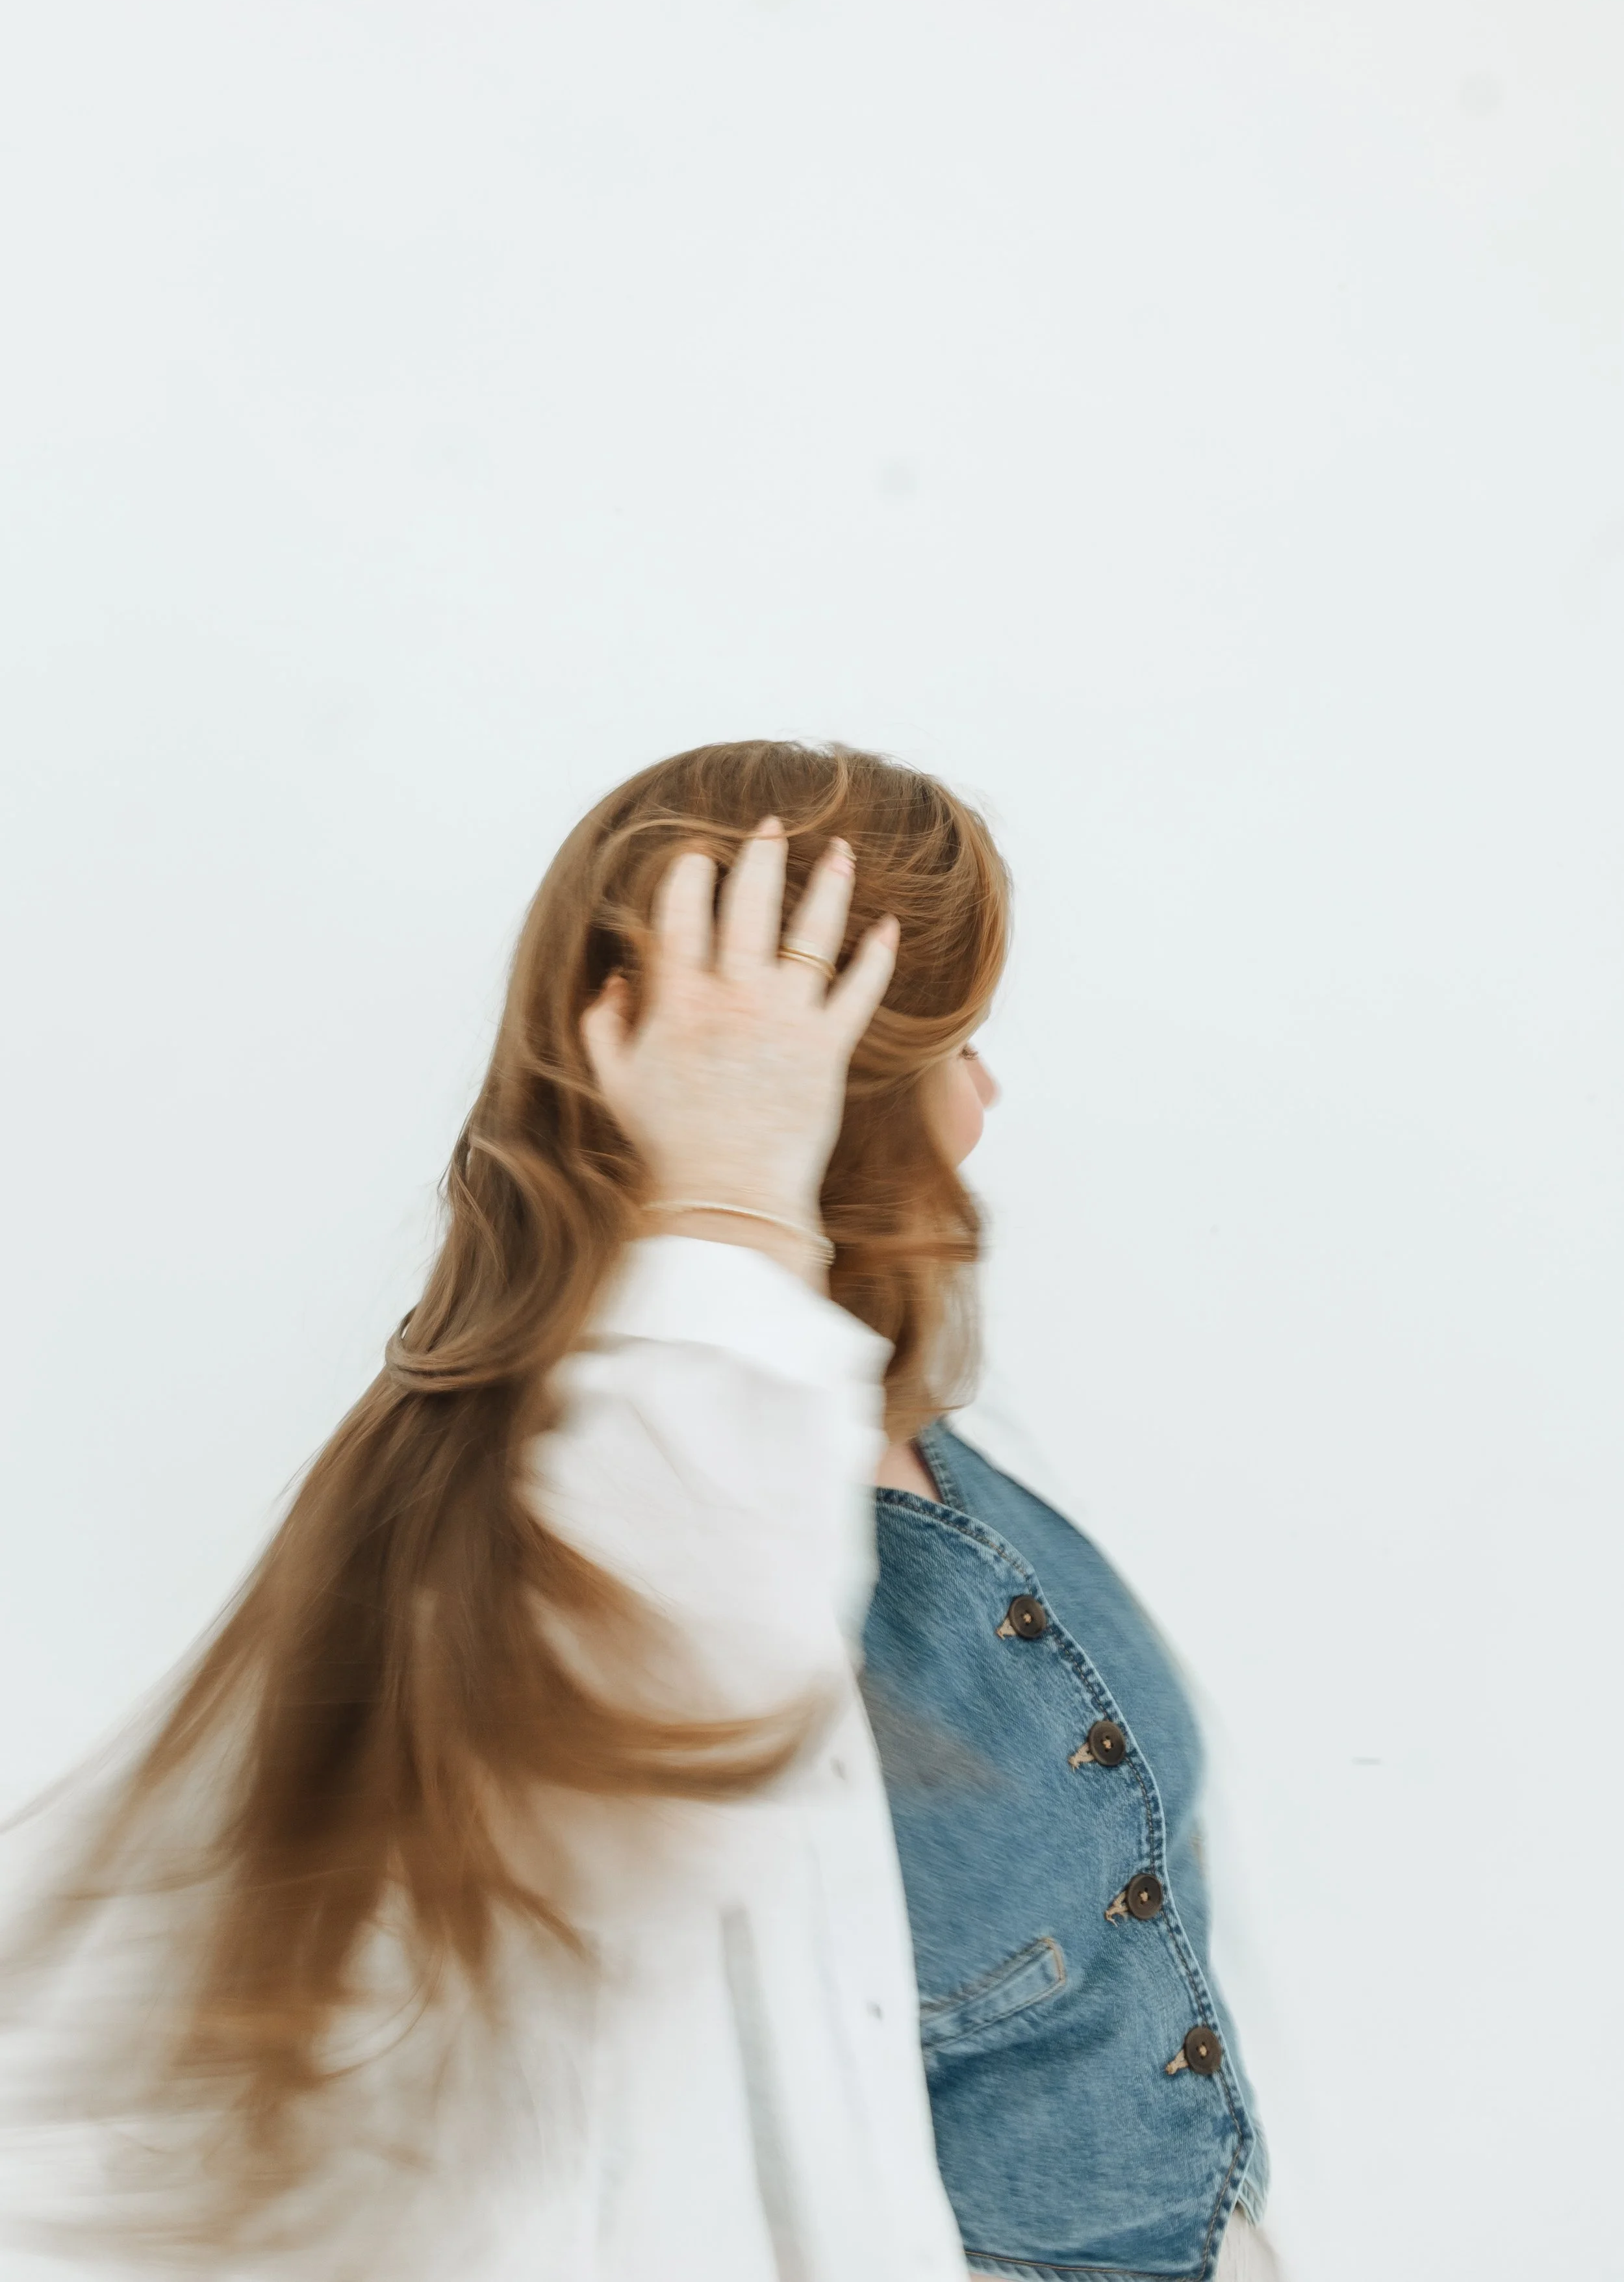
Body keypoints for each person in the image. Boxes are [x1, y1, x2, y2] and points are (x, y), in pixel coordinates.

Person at [0, 739, 1276, 2282]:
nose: (989, 1099)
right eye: (957, 1050)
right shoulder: (630, 1505)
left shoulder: (876, 1424)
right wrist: (731, 1189)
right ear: (835, 1096)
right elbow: (705, 1607)